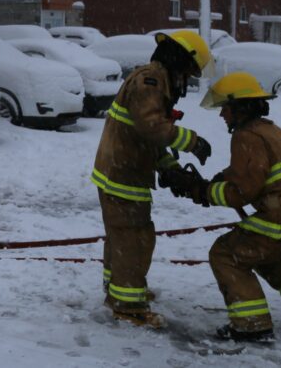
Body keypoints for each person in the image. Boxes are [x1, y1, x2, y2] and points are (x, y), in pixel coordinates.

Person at [174, 71, 281, 342]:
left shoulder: (246, 136)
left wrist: (202, 191)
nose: (222, 115)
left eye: (226, 108)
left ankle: (251, 324)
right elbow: (251, 173)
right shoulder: (268, 129)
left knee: (227, 253)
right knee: (260, 249)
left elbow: (241, 192)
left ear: (239, 107)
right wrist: (221, 178)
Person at [91, 30, 214, 328]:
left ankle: (119, 288)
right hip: (123, 174)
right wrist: (192, 141)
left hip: (123, 170)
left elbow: (147, 139)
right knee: (135, 238)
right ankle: (128, 306)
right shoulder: (151, 81)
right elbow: (151, 127)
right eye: (188, 71)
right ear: (179, 60)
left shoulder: (154, 79)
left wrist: (169, 166)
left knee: (122, 236)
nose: (187, 79)